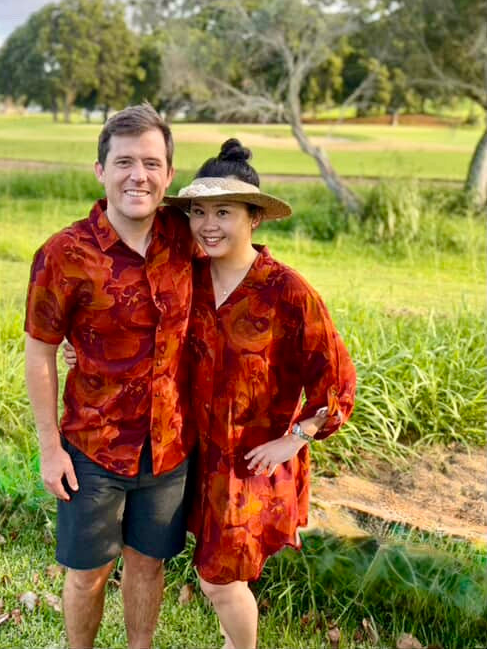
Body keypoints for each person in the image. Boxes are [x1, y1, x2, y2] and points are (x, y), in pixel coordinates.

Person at [162, 139, 357, 649]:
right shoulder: (187, 279)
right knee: (221, 573)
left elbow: (336, 381)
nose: (208, 225)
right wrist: (79, 352)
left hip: (251, 464)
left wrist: (296, 438)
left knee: (218, 581)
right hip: (196, 457)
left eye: (223, 212)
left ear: (255, 218)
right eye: (199, 212)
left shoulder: (287, 291)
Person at [24, 104, 197, 649]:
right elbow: (40, 353)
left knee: (147, 564)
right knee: (88, 574)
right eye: (124, 162)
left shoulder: (186, 237)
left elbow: (239, 254)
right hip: (92, 448)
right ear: (100, 170)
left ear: (169, 174)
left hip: (168, 448)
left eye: (151, 163)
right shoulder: (64, 254)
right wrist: (50, 449)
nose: (137, 176)